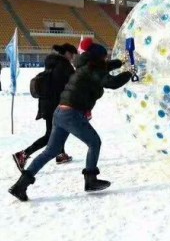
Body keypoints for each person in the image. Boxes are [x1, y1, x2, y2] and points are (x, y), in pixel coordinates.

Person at [8, 38, 133, 201]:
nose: (105, 59)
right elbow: (111, 82)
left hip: (60, 112)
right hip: (72, 114)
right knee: (94, 142)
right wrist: (129, 73)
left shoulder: (85, 66)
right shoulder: (93, 70)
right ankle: (91, 180)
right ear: (97, 57)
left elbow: (106, 66)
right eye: (104, 57)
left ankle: (20, 186)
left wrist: (121, 62)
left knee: (50, 151)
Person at [12, 44, 78, 171]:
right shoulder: (65, 66)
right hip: (55, 105)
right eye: (72, 54)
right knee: (50, 135)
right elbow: (74, 83)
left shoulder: (52, 63)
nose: (72, 57)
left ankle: (60, 154)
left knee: (60, 130)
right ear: (67, 53)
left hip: (46, 104)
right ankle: (23, 154)